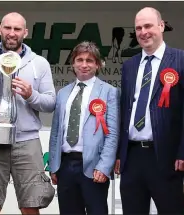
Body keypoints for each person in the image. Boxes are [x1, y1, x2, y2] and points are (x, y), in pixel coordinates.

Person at [0, 12, 56, 215]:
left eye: (17, 29)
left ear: (25, 32)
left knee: (31, 204)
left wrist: (31, 94)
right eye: (7, 28)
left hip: (28, 142)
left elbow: (50, 102)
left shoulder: (39, 63)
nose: (12, 33)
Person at [115, 7, 184, 215]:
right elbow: (125, 110)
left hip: (166, 157)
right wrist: (118, 153)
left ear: (161, 26)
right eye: (139, 28)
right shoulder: (129, 66)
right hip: (131, 158)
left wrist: (183, 151)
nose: (143, 32)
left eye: (148, 26)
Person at [48, 41, 119, 215]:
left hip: (94, 167)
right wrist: (54, 166)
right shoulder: (63, 93)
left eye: (90, 60)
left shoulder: (109, 91)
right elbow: (56, 132)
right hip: (65, 166)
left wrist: (104, 166)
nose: (84, 65)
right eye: (80, 60)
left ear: (97, 64)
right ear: (73, 63)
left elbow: (112, 133)